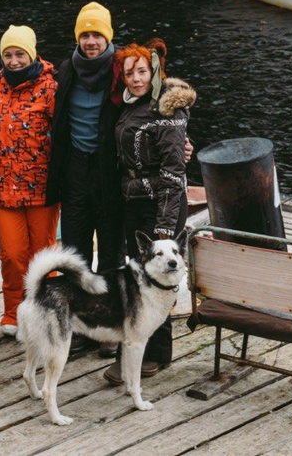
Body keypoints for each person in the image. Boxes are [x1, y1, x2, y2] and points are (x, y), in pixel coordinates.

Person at [102, 38, 196, 384]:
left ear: (153, 72)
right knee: (140, 277)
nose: (136, 78)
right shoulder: (131, 106)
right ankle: (136, 344)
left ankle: (156, 352)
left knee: (159, 277)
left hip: (160, 203)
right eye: (129, 73)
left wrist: (164, 229)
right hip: (134, 199)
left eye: (141, 71)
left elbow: (173, 174)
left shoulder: (165, 111)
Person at [46, 2, 126, 357]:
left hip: (109, 169)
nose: (91, 41)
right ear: (77, 37)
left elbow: (153, 101)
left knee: (111, 249)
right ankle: (78, 323)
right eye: (85, 34)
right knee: (74, 249)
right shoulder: (67, 69)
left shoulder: (122, 69)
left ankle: (109, 324)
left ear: (107, 37)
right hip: (75, 167)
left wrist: (180, 140)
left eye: (97, 34)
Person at [0, 25, 59, 338]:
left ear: (31, 53)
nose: (14, 60)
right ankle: (13, 311)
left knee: (42, 255)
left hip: (42, 185)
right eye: (8, 54)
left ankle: (45, 310)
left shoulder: (51, 86)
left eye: (20, 54)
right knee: (12, 255)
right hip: (4, 185)